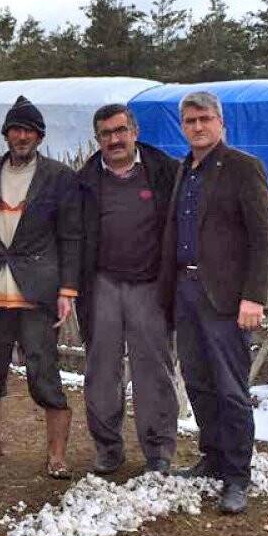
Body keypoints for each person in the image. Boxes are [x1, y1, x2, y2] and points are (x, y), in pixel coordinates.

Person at [158, 91, 268, 515]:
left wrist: (254, 296)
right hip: (186, 292)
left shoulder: (243, 168)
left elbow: (264, 236)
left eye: (205, 119)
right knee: (198, 380)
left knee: (231, 388)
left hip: (226, 297)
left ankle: (237, 475)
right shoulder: (183, 170)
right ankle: (212, 458)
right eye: (190, 121)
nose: (197, 127)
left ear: (220, 123)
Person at [0, 96, 80, 479]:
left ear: (39, 136)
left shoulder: (59, 177)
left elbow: (71, 236)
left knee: (43, 366)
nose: (21, 136)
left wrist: (67, 289)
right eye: (15, 129)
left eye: (28, 130)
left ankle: (57, 454)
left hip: (37, 288)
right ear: (7, 134)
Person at [74, 103, 181, 476]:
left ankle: (158, 450)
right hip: (101, 283)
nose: (114, 139)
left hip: (150, 284)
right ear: (97, 138)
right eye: (106, 133)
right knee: (101, 369)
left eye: (121, 131)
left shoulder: (165, 171)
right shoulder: (85, 180)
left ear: (134, 131)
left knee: (153, 368)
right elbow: (72, 236)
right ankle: (108, 447)